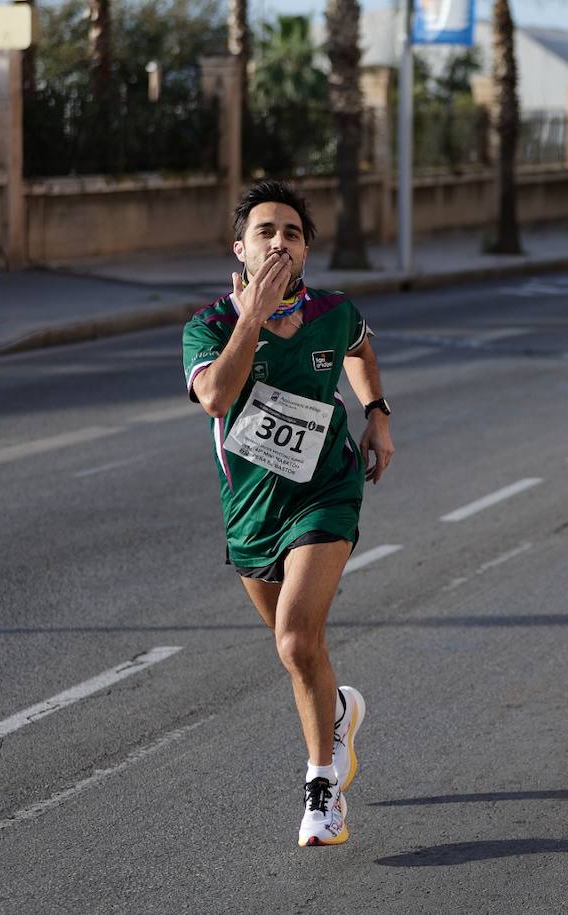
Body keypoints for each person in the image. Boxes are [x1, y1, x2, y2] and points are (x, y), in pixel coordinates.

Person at [182, 180, 394, 847]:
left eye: (293, 233)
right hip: (250, 509)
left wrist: (377, 415)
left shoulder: (334, 310)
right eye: (266, 231)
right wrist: (254, 315)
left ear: (306, 250)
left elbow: (360, 347)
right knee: (295, 652)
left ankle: (323, 788)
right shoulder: (208, 326)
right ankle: (338, 709)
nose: (280, 241)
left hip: (326, 487)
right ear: (239, 248)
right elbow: (216, 396)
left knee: (298, 640)